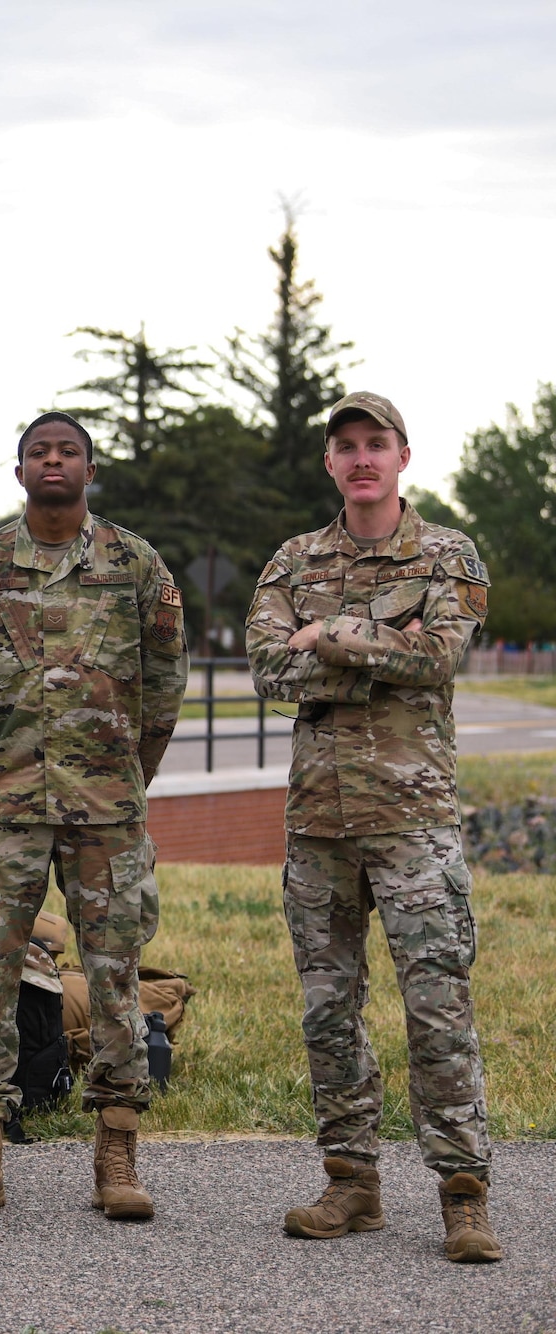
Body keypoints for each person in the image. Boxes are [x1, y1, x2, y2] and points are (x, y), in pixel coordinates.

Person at [245, 391, 501, 1263]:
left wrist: (330, 633)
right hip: (319, 823)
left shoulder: (447, 553)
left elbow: (440, 658)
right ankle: (351, 1182)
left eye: (376, 444)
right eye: (346, 445)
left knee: (437, 1007)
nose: (361, 458)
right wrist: (376, 648)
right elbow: (269, 672)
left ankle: (463, 1194)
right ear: (329, 463)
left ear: (402, 456)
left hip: (413, 822)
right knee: (329, 1013)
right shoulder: (292, 559)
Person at [0, 411, 187, 1222]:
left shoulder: (135, 564)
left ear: (89, 468)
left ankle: (116, 1152)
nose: (52, 461)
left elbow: (165, 679)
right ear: (18, 472)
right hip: (4, 803)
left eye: (66, 451)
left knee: (114, 978)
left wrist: (125, 775)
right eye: (38, 451)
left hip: (106, 806)